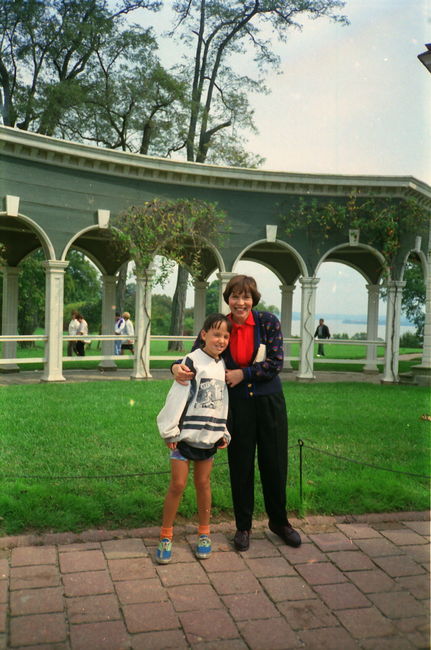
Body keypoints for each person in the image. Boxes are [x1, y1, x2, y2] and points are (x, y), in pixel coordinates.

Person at [172, 275, 301, 553]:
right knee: (240, 466)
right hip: (235, 406)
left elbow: (276, 362)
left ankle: (280, 522)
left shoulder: (268, 322)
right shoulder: (221, 325)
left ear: (253, 299)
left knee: (274, 463)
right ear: (228, 299)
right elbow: (196, 355)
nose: (240, 302)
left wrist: (244, 374)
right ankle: (243, 527)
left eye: (246, 297)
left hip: (269, 403)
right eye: (235, 296)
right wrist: (175, 367)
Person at [156, 313, 232, 564]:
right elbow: (176, 396)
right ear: (203, 335)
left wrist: (223, 431)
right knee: (177, 485)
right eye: (216, 334)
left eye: (225, 335)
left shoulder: (222, 365)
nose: (220, 340)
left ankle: (204, 533)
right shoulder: (190, 361)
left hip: (208, 435)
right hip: (184, 435)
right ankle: (166, 535)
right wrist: (169, 430)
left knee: (203, 484)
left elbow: (222, 403)